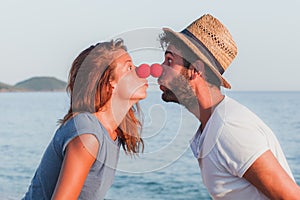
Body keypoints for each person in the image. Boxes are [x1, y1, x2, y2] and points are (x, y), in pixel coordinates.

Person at [157, 14, 300, 199]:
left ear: (195, 70)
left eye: (169, 61)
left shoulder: (229, 128)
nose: (160, 68)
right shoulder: (211, 127)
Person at [23, 39, 148, 200]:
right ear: (110, 81)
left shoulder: (113, 133)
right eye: (129, 67)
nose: (142, 71)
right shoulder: (87, 133)